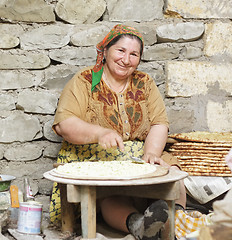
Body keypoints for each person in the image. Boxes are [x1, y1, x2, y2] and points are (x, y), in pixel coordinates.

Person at [49, 24, 187, 240]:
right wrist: (99, 133)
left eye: (134, 54)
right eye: (121, 51)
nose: (126, 59)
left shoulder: (145, 82)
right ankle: (140, 226)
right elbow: (64, 124)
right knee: (111, 193)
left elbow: (160, 123)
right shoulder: (85, 81)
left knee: (173, 175)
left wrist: (151, 153)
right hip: (97, 157)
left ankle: (176, 221)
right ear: (105, 51)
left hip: (138, 156)